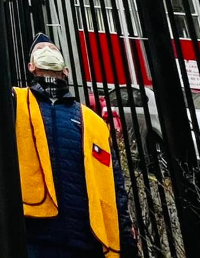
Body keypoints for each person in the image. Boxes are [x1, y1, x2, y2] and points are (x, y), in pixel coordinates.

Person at [20, 35, 126, 258]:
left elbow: (113, 183)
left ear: (66, 70)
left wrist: (125, 239)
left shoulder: (92, 121)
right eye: (40, 49)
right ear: (31, 66)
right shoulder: (16, 103)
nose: (47, 49)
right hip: (33, 236)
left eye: (52, 48)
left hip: (85, 239)